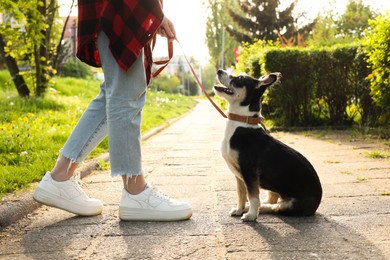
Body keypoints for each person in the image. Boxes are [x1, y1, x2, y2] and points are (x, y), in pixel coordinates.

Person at [33, 0, 192, 221]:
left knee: (114, 94)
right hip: (121, 6)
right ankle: (135, 191)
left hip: (114, 7)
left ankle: (60, 177)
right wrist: (155, 13)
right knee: (125, 95)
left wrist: (158, 15)